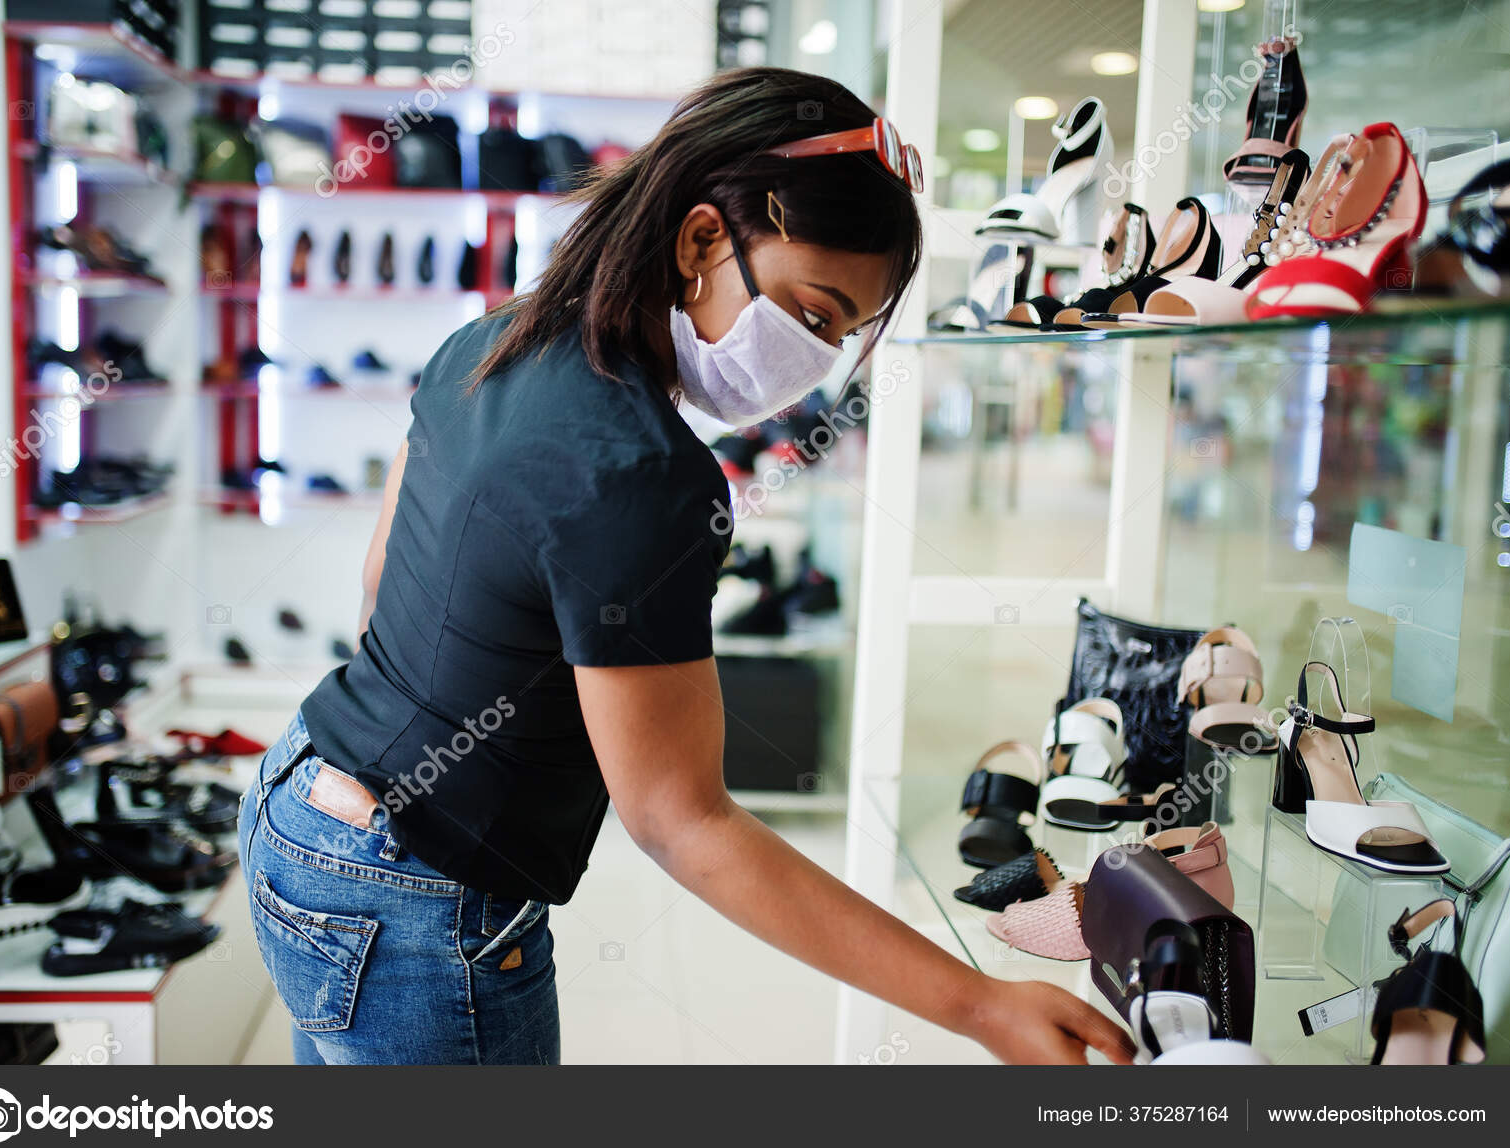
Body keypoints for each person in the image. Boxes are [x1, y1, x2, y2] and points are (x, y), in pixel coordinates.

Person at [237, 67, 1134, 1067]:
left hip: (299, 811)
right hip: (416, 900)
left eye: (838, 334)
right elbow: (680, 819)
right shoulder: (644, 476)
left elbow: (377, 584)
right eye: (812, 309)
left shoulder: (492, 338)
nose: (816, 356)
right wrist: (977, 1006)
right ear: (703, 238)